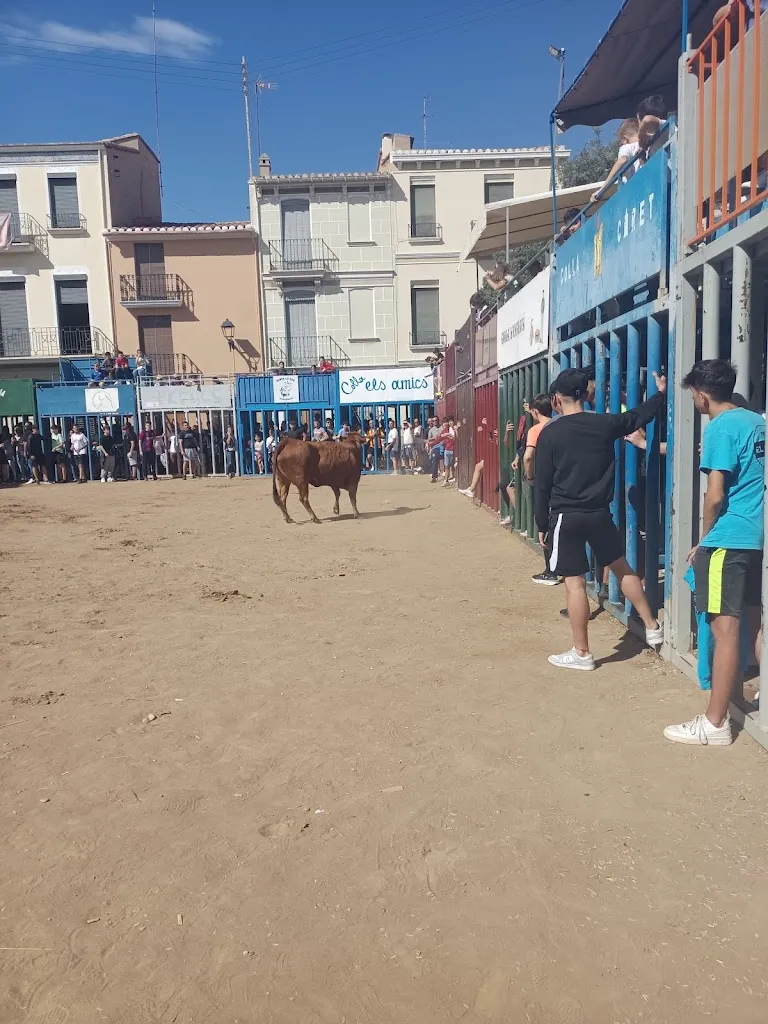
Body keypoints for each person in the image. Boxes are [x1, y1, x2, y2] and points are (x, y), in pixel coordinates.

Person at [534, 368, 665, 671]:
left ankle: (582, 653)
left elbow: (542, 483)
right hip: (599, 512)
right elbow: (638, 415)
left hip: (566, 513)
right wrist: (659, 393)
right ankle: (652, 625)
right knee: (621, 566)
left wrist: (542, 524)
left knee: (574, 583)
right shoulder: (604, 423)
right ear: (586, 394)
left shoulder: (551, 432)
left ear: (556, 399)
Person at [664, 360, 765, 746]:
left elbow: (715, 494)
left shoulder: (721, 428)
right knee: (755, 625)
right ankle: (743, 700)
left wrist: (706, 539)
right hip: (758, 537)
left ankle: (715, 722)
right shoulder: (758, 421)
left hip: (729, 538)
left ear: (701, 394)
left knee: (725, 631)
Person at [522, 395, 558, 584]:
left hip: (544, 482)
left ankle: (550, 570)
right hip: (562, 481)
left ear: (535, 412)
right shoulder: (559, 425)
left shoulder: (536, 430)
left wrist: (530, 477)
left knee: (544, 523)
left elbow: (528, 457)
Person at [591, 119, 641, 203]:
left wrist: (602, 189)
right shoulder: (648, 143)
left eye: (621, 142)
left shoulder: (627, 147)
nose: (622, 145)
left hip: (636, 188)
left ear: (625, 138)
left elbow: (622, 160)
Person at [439, 417, 457, 486]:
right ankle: (446, 481)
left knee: (453, 465)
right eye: (449, 422)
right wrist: (447, 435)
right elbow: (441, 435)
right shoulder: (447, 429)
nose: (450, 423)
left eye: (451, 421)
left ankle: (453, 478)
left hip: (454, 450)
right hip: (447, 449)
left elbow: (455, 438)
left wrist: (451, 434)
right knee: (447, 466)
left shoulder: (455, 429)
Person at [427, 417, 443, 483]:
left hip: (443, 446)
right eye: (433, 421)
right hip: (436, 447)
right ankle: (434, 476)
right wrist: (434, 438)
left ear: (438, 421)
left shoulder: (442, 427)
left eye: (436, 420)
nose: (435, 422)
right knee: (434, 459)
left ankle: (449, 475)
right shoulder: (431, 430)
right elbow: (428, 439)